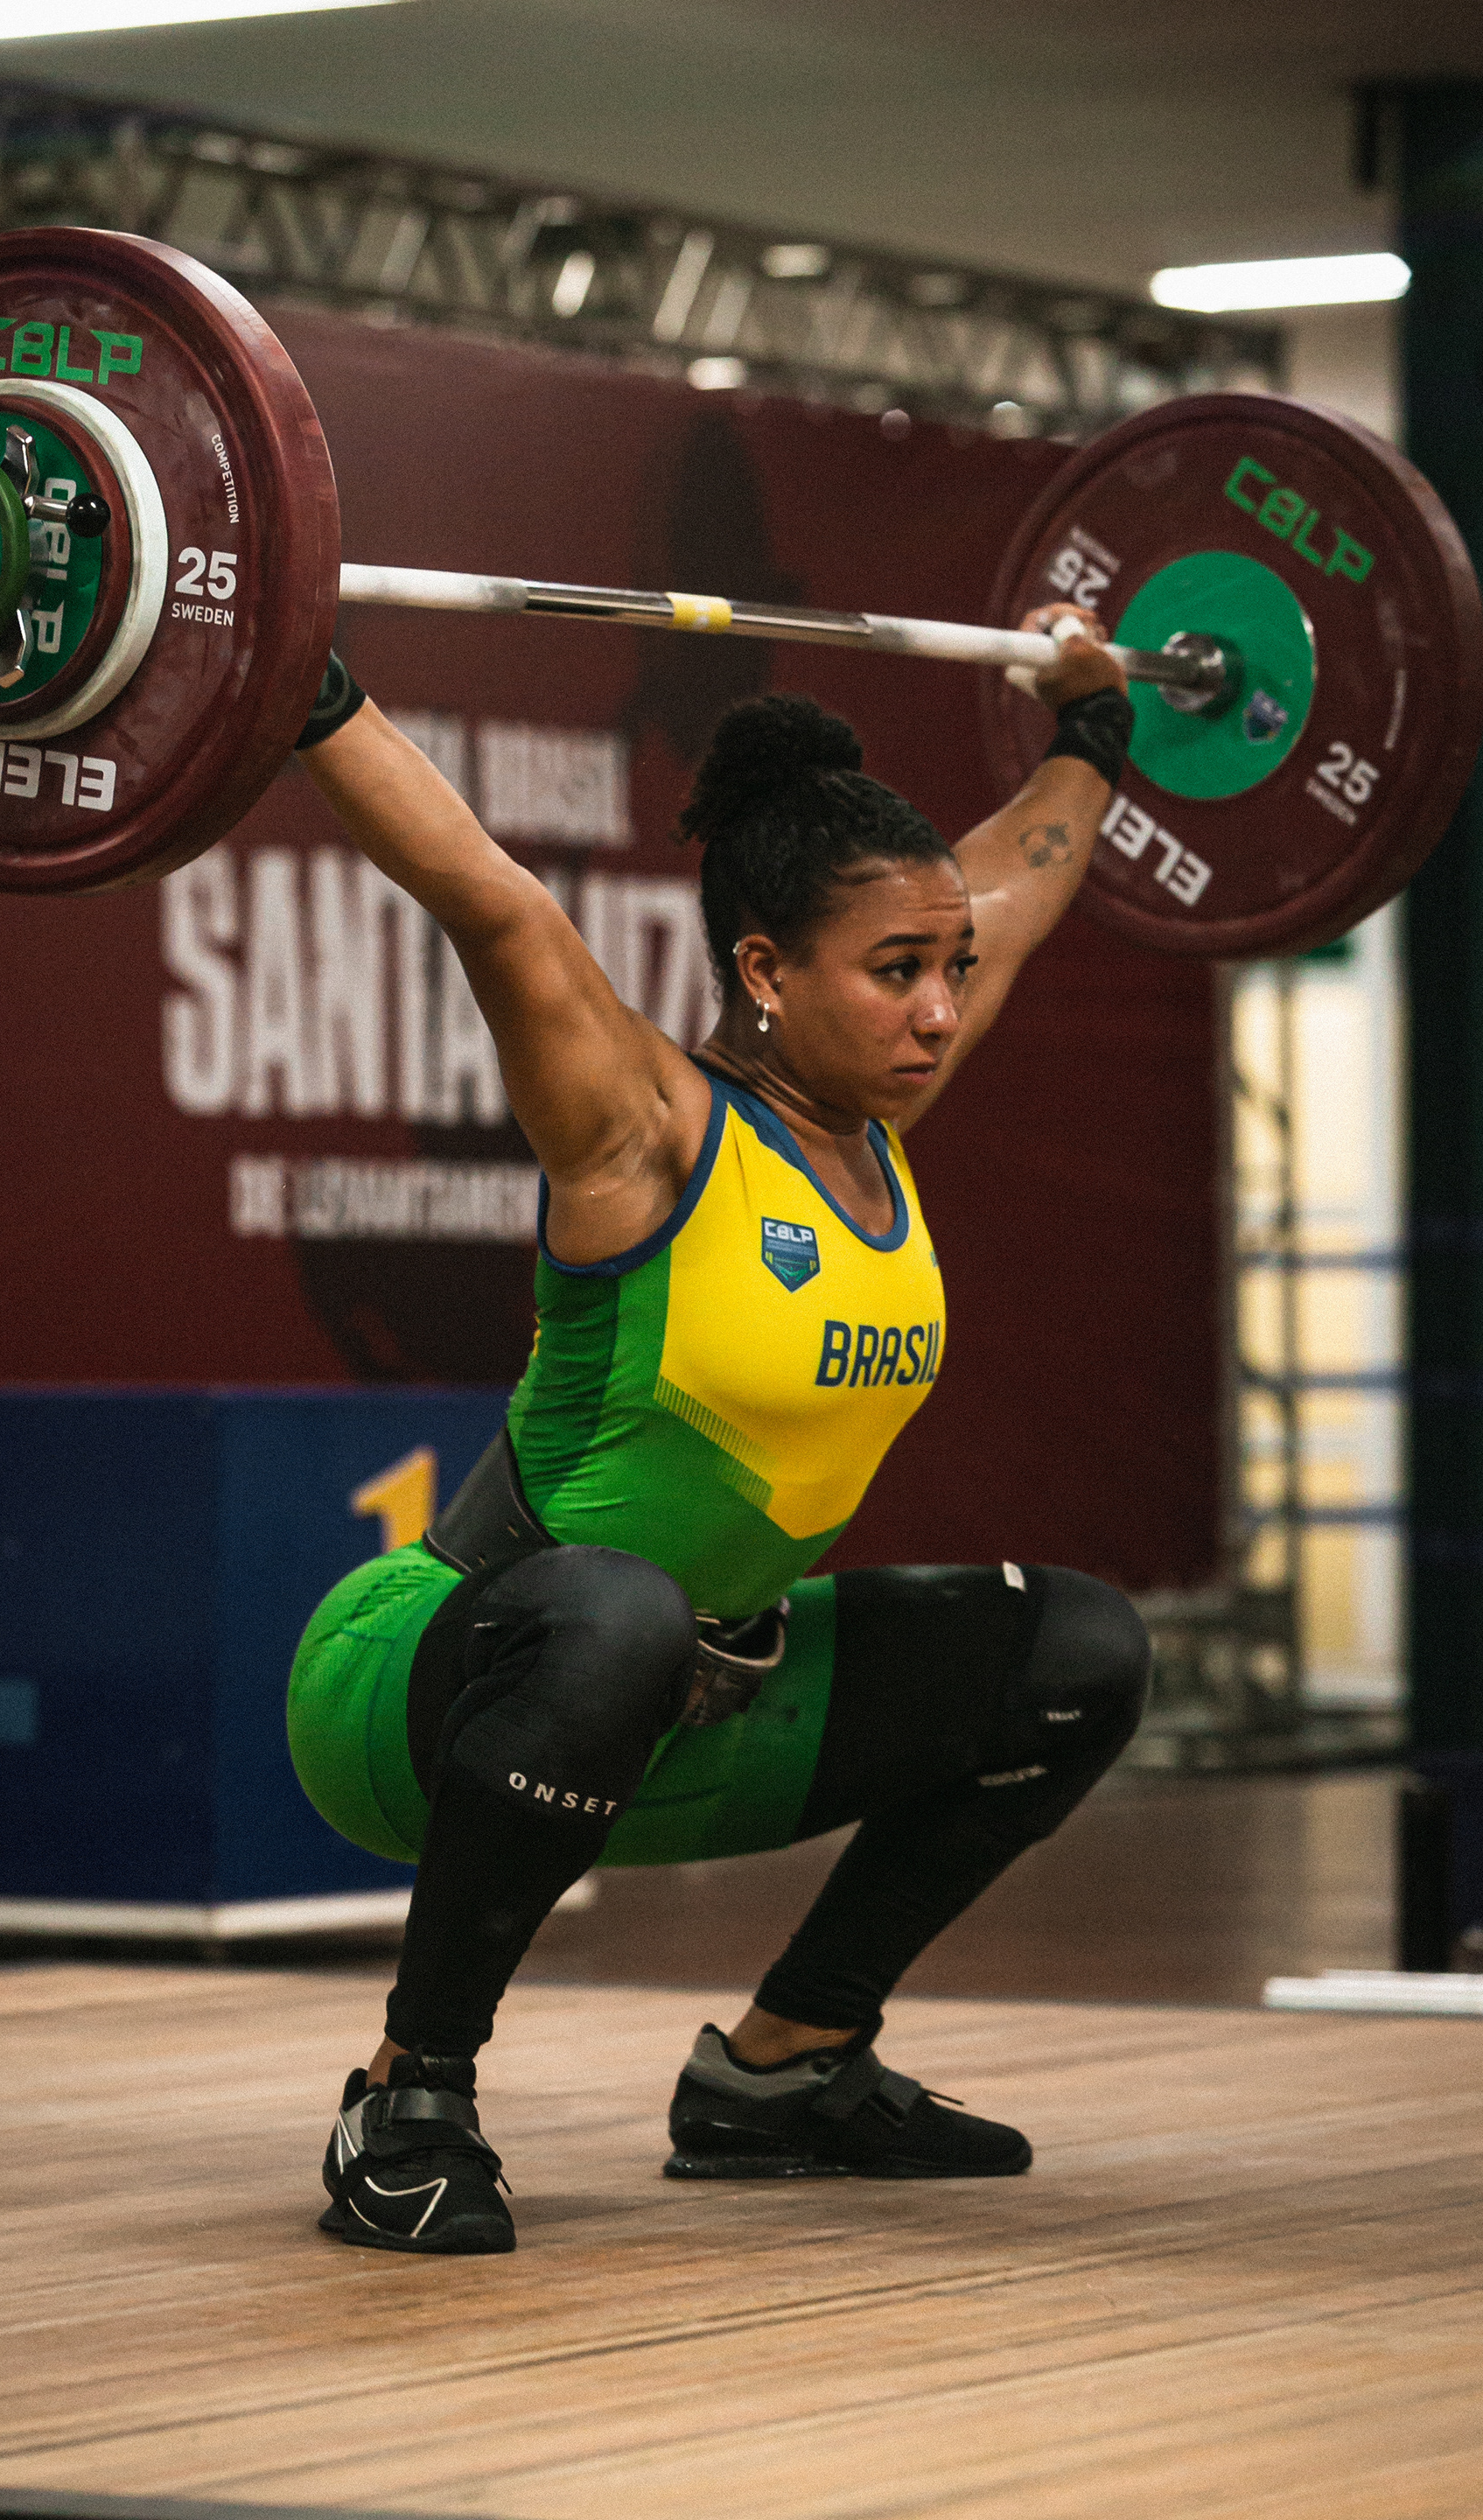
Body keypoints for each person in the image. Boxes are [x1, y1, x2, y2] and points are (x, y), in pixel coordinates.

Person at [287, 603, 1152, 2256]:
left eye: (951, 972)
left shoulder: (877, 1120)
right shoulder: (647, 1131)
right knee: (621, 1610)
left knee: (1079, 1654)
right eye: (898, 974)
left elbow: (1014, 888)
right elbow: (493, 902)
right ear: (764, 969)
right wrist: (300, 689)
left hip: (696, 1702)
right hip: (433, 1688)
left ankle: (787, 2069)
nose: (939, 1010)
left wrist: (1092, 729)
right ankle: (405, 2098)